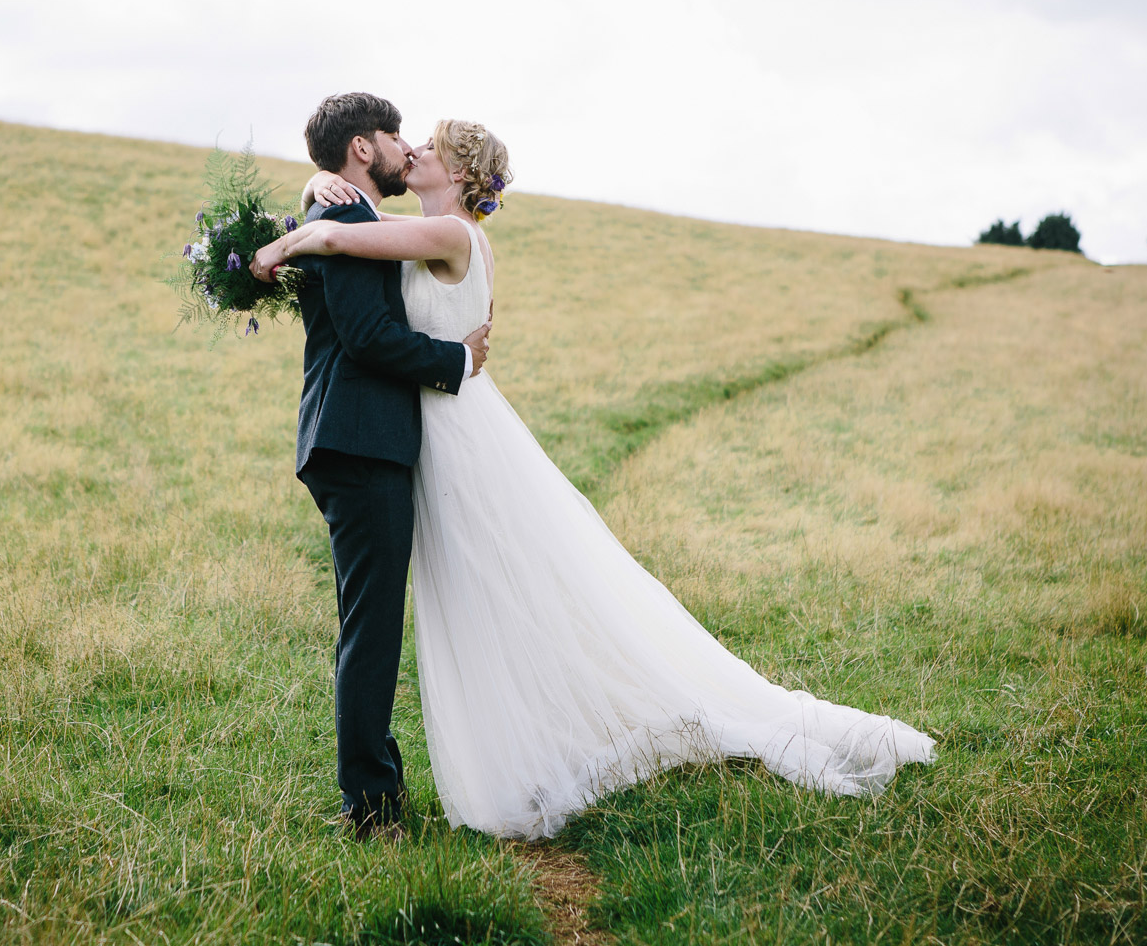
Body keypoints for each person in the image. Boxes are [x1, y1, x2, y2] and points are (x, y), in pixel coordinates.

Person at [252, 115, 936, 841]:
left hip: (456, 437)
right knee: (469, 608)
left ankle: (517, 757)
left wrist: (287, 238)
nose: (411, 148)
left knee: (498, 602)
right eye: (404, 140)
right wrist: (314, 188)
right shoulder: (413, 231)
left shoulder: (451, 235)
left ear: (455, 174)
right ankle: (485, 758)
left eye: (428, 146)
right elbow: (354, 241)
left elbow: (336, 238)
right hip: (429, 434)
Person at [281, 93, 492, 840]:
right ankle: (371, 810)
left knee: (362, 628)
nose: (407, 145)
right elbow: (369, 337)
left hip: (350, 438)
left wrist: (306, 200)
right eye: (395, 134)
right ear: (362, 150)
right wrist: (456, 358)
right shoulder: (344, 219)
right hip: (361, 440)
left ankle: (375, 791)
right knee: (370, 633)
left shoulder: (347, 218)